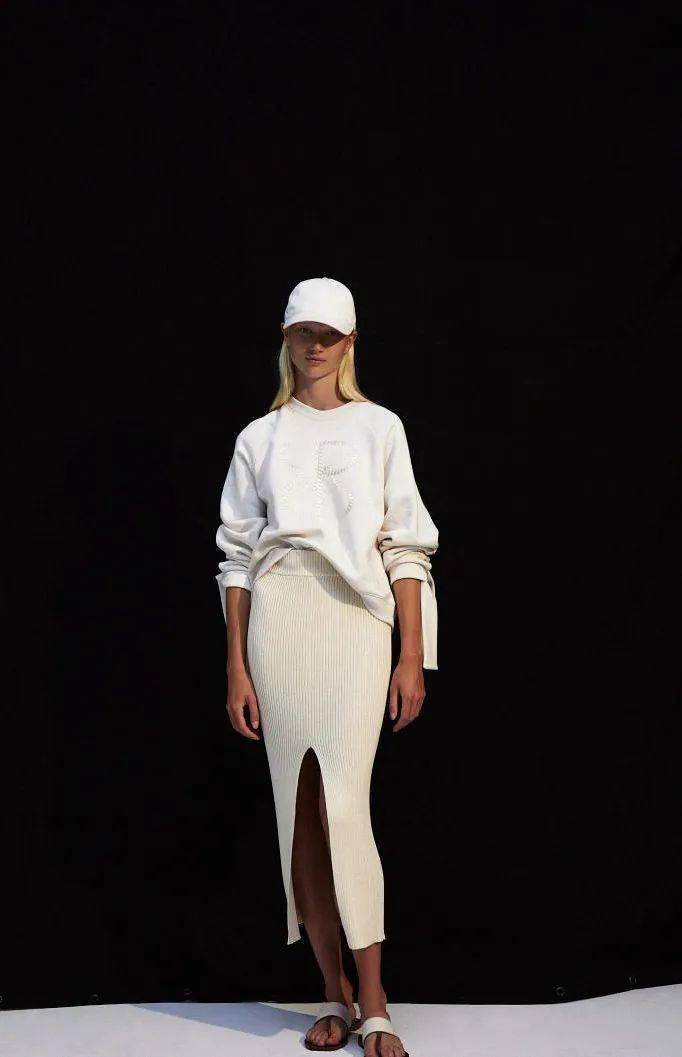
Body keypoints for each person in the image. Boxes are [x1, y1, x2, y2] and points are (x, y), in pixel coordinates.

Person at [215, 277, 439, 1057]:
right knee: (299, 813)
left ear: (350, 342)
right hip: (279, 618)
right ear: (285, 337)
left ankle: (375, 998)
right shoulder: (260, 438)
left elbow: (405, 545)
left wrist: (411, 656)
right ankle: (334, 994)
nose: (314, 345)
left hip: (355, 620)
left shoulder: (379, 428)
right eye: (302, 331)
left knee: (346, 803)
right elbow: (236, 558)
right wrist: (236, 666)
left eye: (329, 334)